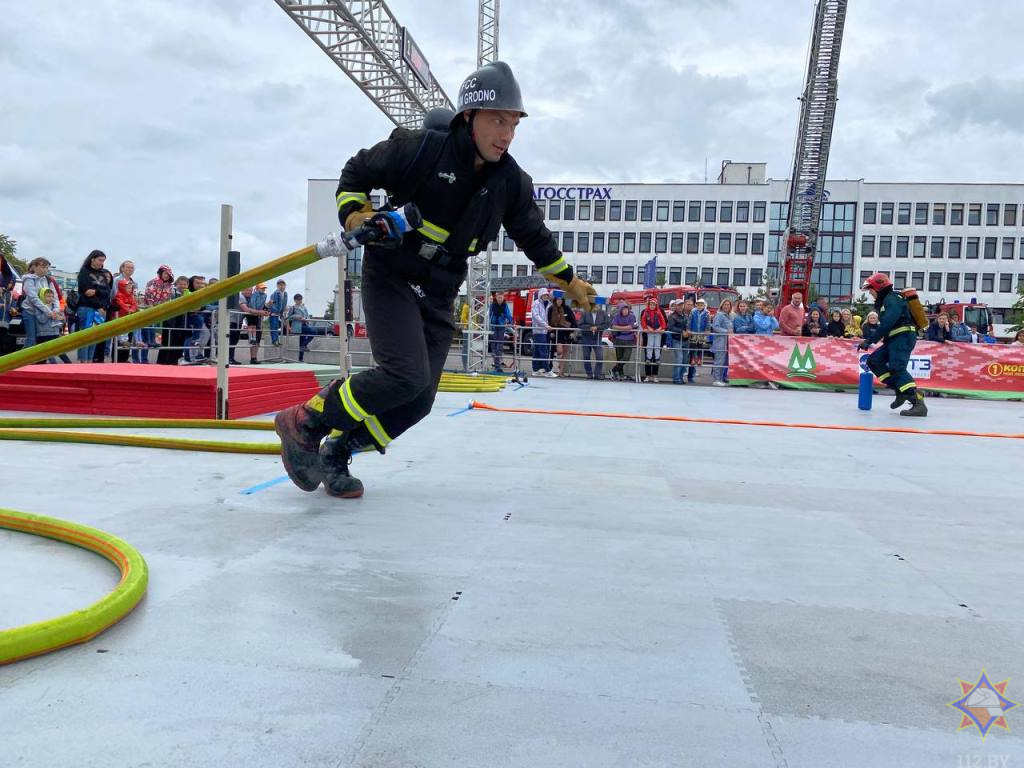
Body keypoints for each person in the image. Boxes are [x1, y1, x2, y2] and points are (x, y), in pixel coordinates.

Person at [274, 61, 595, 498]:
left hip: (440, 288)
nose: (506, 134)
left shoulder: (511, 182)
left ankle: (338, 451)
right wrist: (357, 213)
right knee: (404, 374)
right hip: (393, 273)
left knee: (420, 399)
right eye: (497, 120)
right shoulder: (422, 149)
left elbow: (534, 238)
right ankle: (307, 419)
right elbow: (356, 174)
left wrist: (570, 281)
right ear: (469, 118)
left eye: (514, 123)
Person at [859, 273, 927, 417]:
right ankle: (901, 390)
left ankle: (917, 402)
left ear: (878, 287)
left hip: (902, 336)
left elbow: (888, 322)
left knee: (897, 368)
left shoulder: (893, 298)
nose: (870, 293)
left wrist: (870, 340)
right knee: (874, 361)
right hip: (894, 338)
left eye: (871, 290)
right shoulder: (886, 301)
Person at [75, 249, 112, 363]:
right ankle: (83, 361)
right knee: (86, 336)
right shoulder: (84, 272)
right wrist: (99, 295)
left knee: (95, 337)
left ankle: (89, 361)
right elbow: (86, 292)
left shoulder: (102, 274)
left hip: (100, 310)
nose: (101, 263)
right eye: (100, 260)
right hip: (87, 307)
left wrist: (96, 291)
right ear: (92, 259)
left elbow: (107, 291)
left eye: (103, 261)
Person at [20, 258, 59, 348]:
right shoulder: (29, 279)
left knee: (42, 340)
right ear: (34, 267)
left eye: (47, 268)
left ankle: (39, 362)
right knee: (31, 339)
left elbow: (55, 296)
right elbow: (34, 298)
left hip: (44, 314)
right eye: (42, 267)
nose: (45, 270)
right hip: (30, 312)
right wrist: (48, 311)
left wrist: (56, 310)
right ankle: (20, 361)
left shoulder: (49, 280)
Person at [35, 287, 72, 363]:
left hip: (54, 333)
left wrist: (60, 318)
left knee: (60, 351)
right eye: (48, 296)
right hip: (43, 334)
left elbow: (62, 321)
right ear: (42, 297)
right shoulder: (39, 307)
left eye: (52, 296)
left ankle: (69, 365)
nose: (51, 298)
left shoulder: (55, 307)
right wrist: (49, 313)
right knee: (42, 357)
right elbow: (41, 320)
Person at [578, 300, 609, 379]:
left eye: (596, 304)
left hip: (597, 338)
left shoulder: (603, 313)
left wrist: (597, 328)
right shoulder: (585, 313)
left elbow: (607, 324)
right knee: (586, 356)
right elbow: (580, 324)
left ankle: (597, 374)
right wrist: (589, 327)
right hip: (586, 338)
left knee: (600, 356)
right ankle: (589, 374)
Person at [639, 296, 667, 383]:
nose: (650, 305)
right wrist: (646, 328)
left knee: (656, 354)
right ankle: (647, 375)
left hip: (658, 333)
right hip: (647, 335)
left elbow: (664, 322)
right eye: (648, 302)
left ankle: (655, 375)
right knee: (648, 353)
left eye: (652, 303)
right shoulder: (644, 312)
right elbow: (642, 322)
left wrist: (661, 328)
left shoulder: (660, 311)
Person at [609, 301, 638, 381]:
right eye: (624, 309)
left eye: (626, 309)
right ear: (620, 310)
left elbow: (630, 327)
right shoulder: (617, 316)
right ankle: (621, 374)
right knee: (619, 358)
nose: (625, 311)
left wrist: (620, 327)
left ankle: (613, 370)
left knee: (626, 357)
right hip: (618, 339)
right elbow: (613, 326)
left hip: (629, 339)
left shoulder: (632, 316)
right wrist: (625, 328)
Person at [548, 294, 575, 377]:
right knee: (560, 351)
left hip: (566, 333)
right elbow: (548, 321)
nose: (559, 301)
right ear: (555, 300)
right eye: (558, 299)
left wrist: (572, 332)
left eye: (561, 299)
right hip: (556, 333)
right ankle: (558, 366)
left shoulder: (567, 309)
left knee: (564, 354)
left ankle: (561, 371)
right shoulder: (551, 309)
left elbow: (573, 320)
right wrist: (551, 331)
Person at [710, 298, 734, 386]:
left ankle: (721, 378)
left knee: (724, 361)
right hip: (720, 341)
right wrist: (726, 331)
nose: (727, 306)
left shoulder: (730, 316)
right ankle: (716, 379)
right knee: (719, 361)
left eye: (728, 305)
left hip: (728, 342)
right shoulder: (719, 315)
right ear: (722, 305)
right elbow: (715, 327)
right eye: (725, 304)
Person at [686, 297, 711, 383]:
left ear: (704, 305)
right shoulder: (693, 312)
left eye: (701, 304)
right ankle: (692, 358)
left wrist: (707, 330)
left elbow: (708, 323)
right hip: (693, 332)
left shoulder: (707, 313)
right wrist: (688, 329)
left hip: (702, 333)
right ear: (696, 305)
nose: (700, 306)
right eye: (698, 304)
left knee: (700, 346)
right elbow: (689, 321)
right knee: (692, 347)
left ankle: (699, 358)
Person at [667, 298, 692, 384]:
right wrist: (682, 332)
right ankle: (676, 378)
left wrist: (688, 330)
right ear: (675, 306)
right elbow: (670, 327)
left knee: (685, 360)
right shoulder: (671, 316)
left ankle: (680, 377)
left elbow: (688, 325)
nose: (680, 306)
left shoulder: (685, 315)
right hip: (677, 340)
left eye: (681, 305)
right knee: (679, 359)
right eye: (679, 305)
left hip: (685, 340)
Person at [531, 289, 555, 377]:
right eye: (544, 295)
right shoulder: (536, 303)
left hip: (545, 330)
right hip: (538, 330)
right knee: (543, 350)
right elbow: (536, 316)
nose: (546, 296)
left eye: (547, 295)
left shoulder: (549, 304)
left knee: (537, 350)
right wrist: (545, 325)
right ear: (540, 295)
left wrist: (547, 326)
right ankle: (547, 370)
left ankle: (535, 369)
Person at [488, 292, 513, 373]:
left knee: (499, 347)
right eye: (498, 297)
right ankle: (496, 364)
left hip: (501, 327)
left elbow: (508, 314)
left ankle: (497, 366)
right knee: (494, 347)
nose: (500, 299)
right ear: (496, 297)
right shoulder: (492, 305)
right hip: (494, 327)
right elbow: (489, 315)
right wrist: (489, 325)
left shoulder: (505, 305)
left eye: (501, 297)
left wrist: (510, 322)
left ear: (503, 298)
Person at [287, 293, 313, 362]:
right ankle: (304, 347)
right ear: (295, 300)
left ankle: (300, 359)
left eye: (300, 299)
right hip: (298, 326)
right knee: (313, 332)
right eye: (298, 300)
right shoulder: (292, 307)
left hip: (305, 324)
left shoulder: (304, 307)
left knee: (302, 341)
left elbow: (307, 316)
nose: (300, 301)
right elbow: (288, 317)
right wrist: (297, 317)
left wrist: (306, 319)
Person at [267, 280, 288, 346]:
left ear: (285, 286)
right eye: (280, 285)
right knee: (274, 326)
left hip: (279, 313)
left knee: (276, 327)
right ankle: (274, 341)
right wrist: (275, 311)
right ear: (277, 286)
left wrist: (282, 312)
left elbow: (284, 304)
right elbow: (273, 303)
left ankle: (276, 340)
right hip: (274, 313)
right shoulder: (275, 293)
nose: (282, 286)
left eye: (283, 285)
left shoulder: (285, 294)